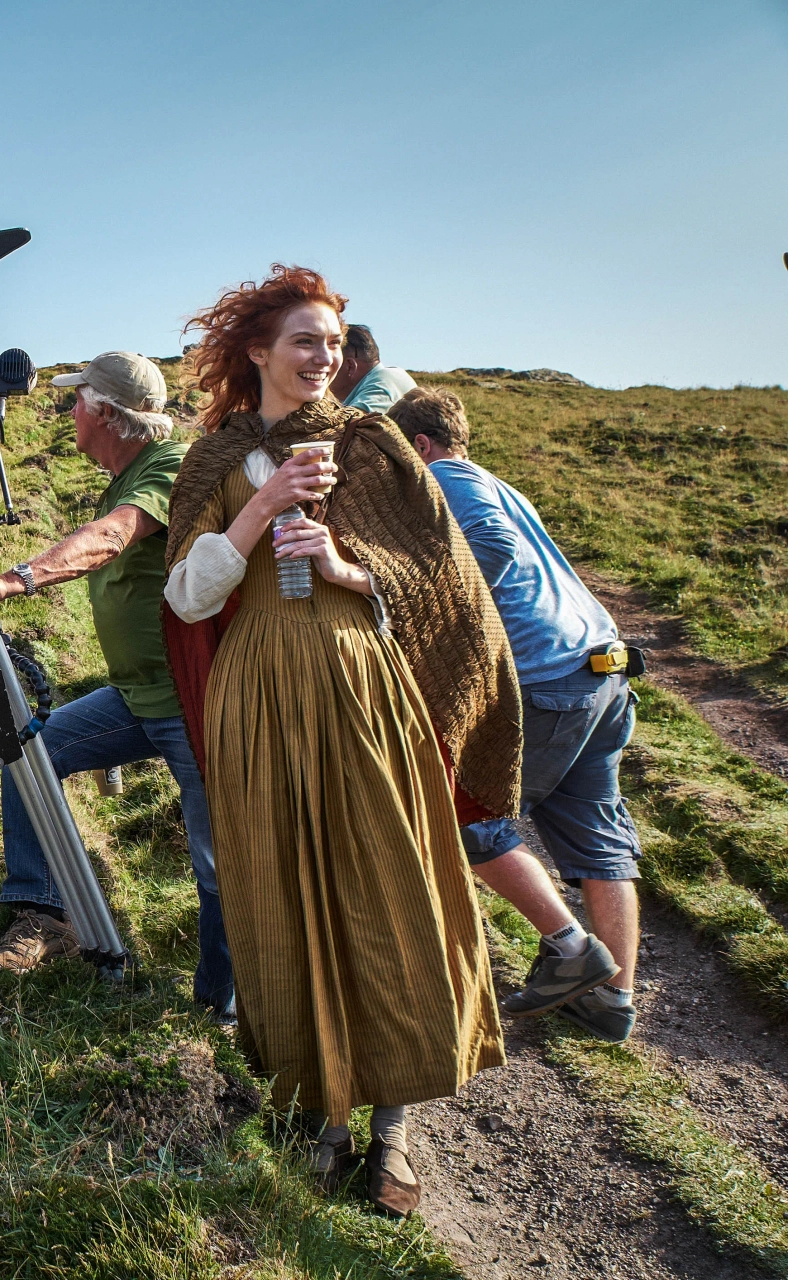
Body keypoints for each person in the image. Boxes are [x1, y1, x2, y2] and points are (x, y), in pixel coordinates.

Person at [162, 265, 519, 1218]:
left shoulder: (374, 446)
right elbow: (188, 595)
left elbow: (443, 584)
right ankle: (324, 1114)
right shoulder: (215, 457)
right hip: (256, 690)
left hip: (360, 683)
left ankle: (393, 1130)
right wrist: (260, 506)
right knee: (280, 889)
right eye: (303, 342)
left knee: (384, 886)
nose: (324, 359)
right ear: (258, 352)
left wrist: (342, 564)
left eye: (332, 343)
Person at [0, 352, 233, 1018]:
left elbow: (114, 537)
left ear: (109, 415)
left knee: (217, 865)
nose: (70, 411)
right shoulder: (123, 473)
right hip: (137, 697)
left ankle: (221, 1005)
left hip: (190, 705)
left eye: (78, 400)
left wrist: (19, 578)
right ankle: (43, 913)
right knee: (31, 753)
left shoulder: (167, 468)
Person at [391, 387, 640, 1041]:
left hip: (544, 681)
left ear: (419, 445)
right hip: (601, 670)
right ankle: (609, 1004)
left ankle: (568, 948)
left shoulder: (443, 479)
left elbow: (492, 555)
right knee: (596, 841)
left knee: (460, 818)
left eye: (397, 457)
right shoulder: (497, 482)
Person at [328, 324, 415, 414]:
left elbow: (353, 424)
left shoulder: (385, 381)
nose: (322, 372)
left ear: (350, 367)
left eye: (328, 364)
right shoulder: (375, 381)